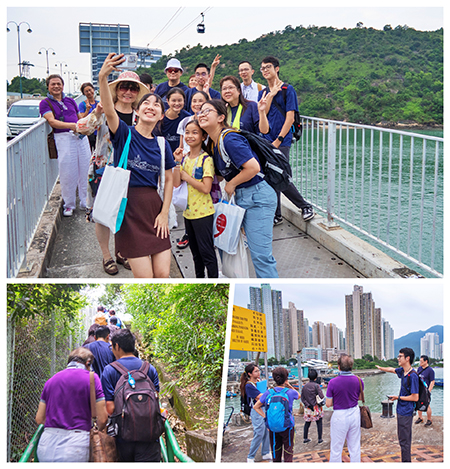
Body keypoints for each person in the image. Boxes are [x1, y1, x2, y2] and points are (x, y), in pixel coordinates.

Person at [97, 53, 175, 278]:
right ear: (137, 112)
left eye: (156, 105)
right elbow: (110, 111)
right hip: (128, 209)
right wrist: (103, 77)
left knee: (162, 275)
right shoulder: (124, 133)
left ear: (161, 115)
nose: (151, 107)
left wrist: (164, 213)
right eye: (146, 104)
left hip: (154, 209)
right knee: (145, 278)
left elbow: (169, 179)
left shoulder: (161, 145)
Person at [198, 99, 278, 278]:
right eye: (199, 112)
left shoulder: (230, 139)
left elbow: (253, 167)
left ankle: (269, 288)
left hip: (257, 199)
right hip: (239, 199)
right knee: (225, 245)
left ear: (220, 117)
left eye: (207, 111)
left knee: (261, 257)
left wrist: (231, 184)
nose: (201, 114)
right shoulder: (214, 142)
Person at [88, 70, 148, 275]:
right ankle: (107, 256)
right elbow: (83, 128)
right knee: (103, 213)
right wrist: (97, 113)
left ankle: (122, 251)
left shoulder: (139, 114)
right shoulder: (104, 109)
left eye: (133, 88)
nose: (128, 91)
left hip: (131, 170)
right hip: (104, 167)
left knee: (124, 210)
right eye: (124, 86)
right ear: (116, 89)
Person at [258, 56, 315, 225]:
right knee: (271, 175)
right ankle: (277, 214)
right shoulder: (263, 93)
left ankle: (305, 206)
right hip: (266, 139)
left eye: (268, 67)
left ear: (277, 68)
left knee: (280, 174)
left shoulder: (287, 89)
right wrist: (270, 95)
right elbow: (264, 112)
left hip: (281, 140)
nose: (265, 70)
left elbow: (290, 117)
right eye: (262, 68)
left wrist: (279, 140)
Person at [35, 347, 107, 462]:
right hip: (77, 444)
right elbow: (103, 418)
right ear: (88, 363)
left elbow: (39, 418)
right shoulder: (92, 379)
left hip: (46, 444)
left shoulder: (51, 381)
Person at [101, 328, 160, 462]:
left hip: (122, 437)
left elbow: (110, 409)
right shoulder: (149, 368)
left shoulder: (109, 371)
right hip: (149, 436)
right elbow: (156, 399)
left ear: (117, 346)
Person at [39, 74, 91, 217]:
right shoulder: (45, 103)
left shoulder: (70, 101)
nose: (56, 86)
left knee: (86, 168)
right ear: (48, 87)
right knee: (67, 172)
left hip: (80, 137)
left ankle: (85, 201)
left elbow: (79, 117)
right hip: (63, 138)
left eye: (59, 84)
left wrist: (87, 115)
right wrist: (72, 126)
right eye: (53, 84)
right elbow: (52, 122)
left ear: (63, 86)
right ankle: (69, 204)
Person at [172, 119, 218, 278]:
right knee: (195, 254)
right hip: (188, 213)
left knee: (207, 253)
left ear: (203, 136)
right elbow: (177, 183)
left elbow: (206, 188)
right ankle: (199, 279)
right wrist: (177, 163)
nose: (189, 136)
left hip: (203, 214)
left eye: (194, 132)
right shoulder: (184, 158)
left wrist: (187, 177)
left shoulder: (206, 159)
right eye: (187, 132)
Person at [376, 348, 419, 462]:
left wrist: (397, 397)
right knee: (402, 439)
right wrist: (381, 368)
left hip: (407, 411)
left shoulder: (413, 375)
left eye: (400, 356)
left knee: (405, 441)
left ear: (407, 358)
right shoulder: (403, 371)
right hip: (401, 410)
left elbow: (415, 397)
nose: (398, 358)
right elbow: (391, 369)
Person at [254, 366, 300, 463]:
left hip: (272, 427)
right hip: (288, 426)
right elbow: (298, 395)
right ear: (286, 378)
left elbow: (256, 407)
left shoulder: (268, 392)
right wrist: (289, 385)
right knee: (288, 451)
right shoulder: (290, 392)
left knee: (276, 452)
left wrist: (266, 418)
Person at [325, 353, 362, 463]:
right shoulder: (359, 380)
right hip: (355, 413)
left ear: (339, 366)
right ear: (351, 366)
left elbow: (328, 403)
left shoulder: (332, 382)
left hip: (339, 415)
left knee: (336, 448)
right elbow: (359, 398)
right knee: (355, 447)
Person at [239, 364, 271, 463]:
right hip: (256, 411)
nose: (258, 372)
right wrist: (269, 392)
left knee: (266, 431)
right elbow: (259, 397)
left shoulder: (258, 382)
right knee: (259, 433)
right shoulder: (249, 385)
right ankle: (250, 456)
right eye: (256, 371)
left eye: (258, 370)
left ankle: (265, 452)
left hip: (263, 408)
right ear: (250, 373)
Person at [154, 87, 190, 153]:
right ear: (167, 101)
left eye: (179, 100)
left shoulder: (187, 118)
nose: (177, 103)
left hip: (181, 155)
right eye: (173, 100)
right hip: (162, 153)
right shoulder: (160, 117)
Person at [300, 369, 324, 444]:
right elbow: (321, 396)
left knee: (307, 423)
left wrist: (307, 404)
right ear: (316, 378)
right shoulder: (316, 386)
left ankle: (305, 438)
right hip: (316, 407)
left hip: (308, 408)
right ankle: (320, 439)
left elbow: (302, 398)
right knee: (319, 423)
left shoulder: (305, 386)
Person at [78, 82, 99, 151]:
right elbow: (81, 118)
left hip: (98, 131)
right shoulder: (82, 105)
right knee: (88, 152)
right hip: (88, 132)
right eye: (86, 91)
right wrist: (87, 110)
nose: (89, 92)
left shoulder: (98, 103)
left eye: (90, 90)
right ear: (84, 94)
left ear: (93, 89)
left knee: (98, 152)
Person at [416, 355, 435, 427]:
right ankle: (420, 418)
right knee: (418, 404)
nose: (420, 362)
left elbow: (432, 381)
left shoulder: (430, 370)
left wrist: (428, 391)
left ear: (426, 361)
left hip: (426, 391)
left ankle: (429, 420)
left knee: (427, 405)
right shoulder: (419, 368)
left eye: (421, 361)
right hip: (419, 390)